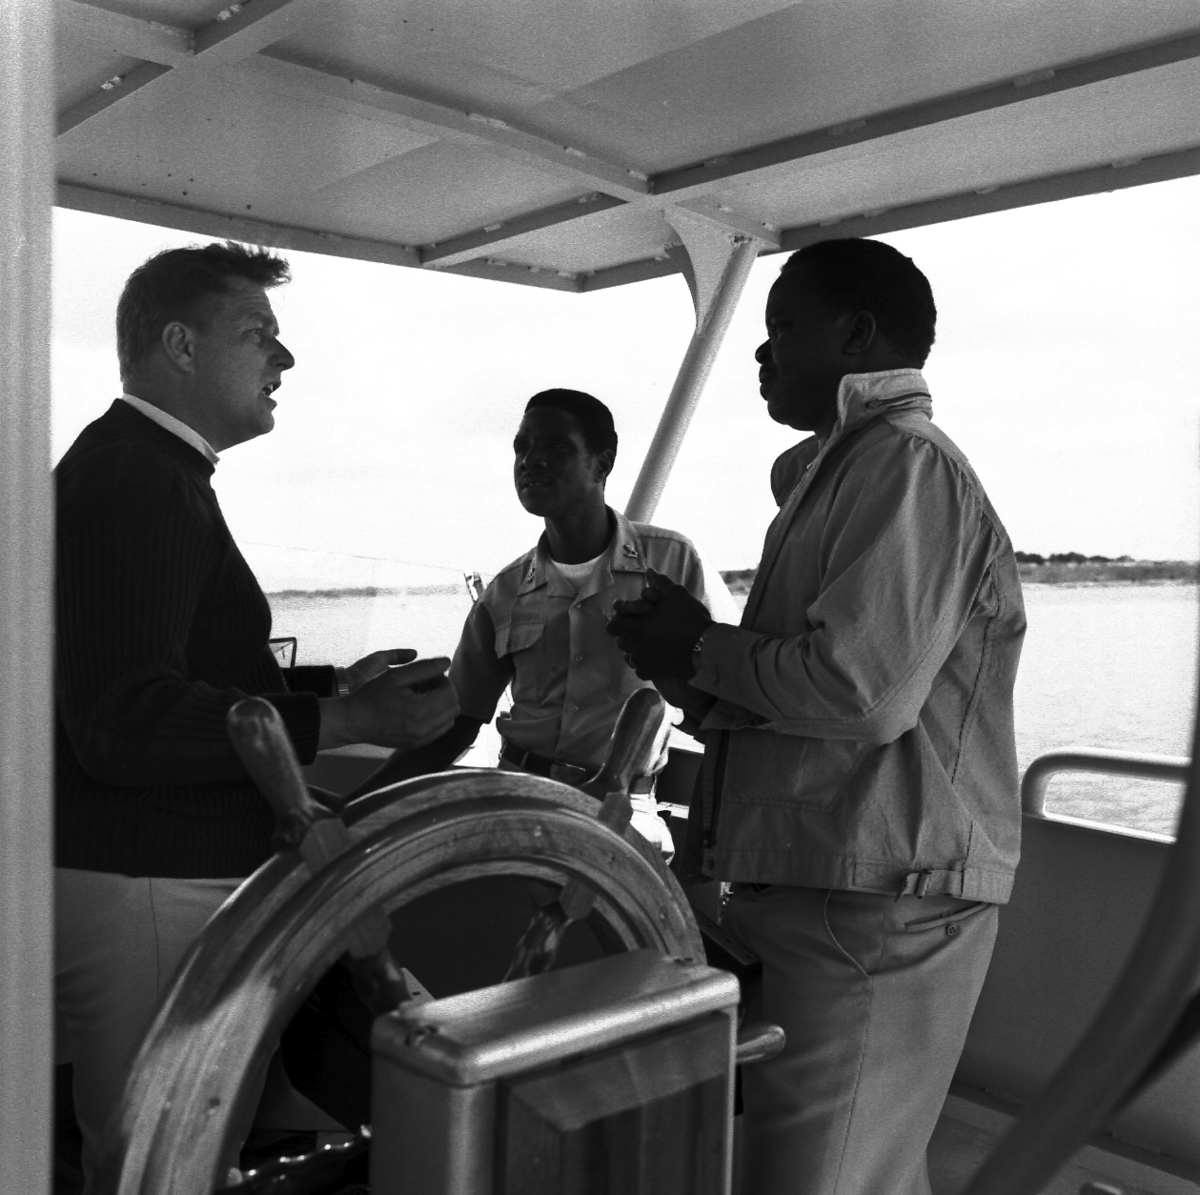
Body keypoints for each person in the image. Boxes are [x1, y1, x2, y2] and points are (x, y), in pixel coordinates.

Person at [608, 238, 1026, 1195]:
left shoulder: (907, 467)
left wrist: (701, 646)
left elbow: (862, 694)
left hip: (883, 899)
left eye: (783, 327)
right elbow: (810, 694)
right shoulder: (844, 473)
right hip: (827, 884)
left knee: (825, 1176)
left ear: (859, 335)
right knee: (846, 1165)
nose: (763, 352)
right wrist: (685, 664)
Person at [54, 241, 458, 1189]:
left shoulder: (148, 470)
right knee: (163, 1169)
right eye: (259, 334)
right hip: (151, 877)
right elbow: (122, 717)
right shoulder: (139, 480)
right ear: (180, 346)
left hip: (155, 873)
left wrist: (330, 693)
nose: (285, 358)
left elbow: (183, 672)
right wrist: (348, 716)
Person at [358, 389, 736, 854]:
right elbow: (457, 722)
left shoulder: (673, 562)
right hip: (521, 796)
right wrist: (353, 807)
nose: (530, 460)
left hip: (624, 808)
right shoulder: (505, 592)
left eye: (555, 446)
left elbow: (730, 693)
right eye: (522, 447)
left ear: (602, 463)